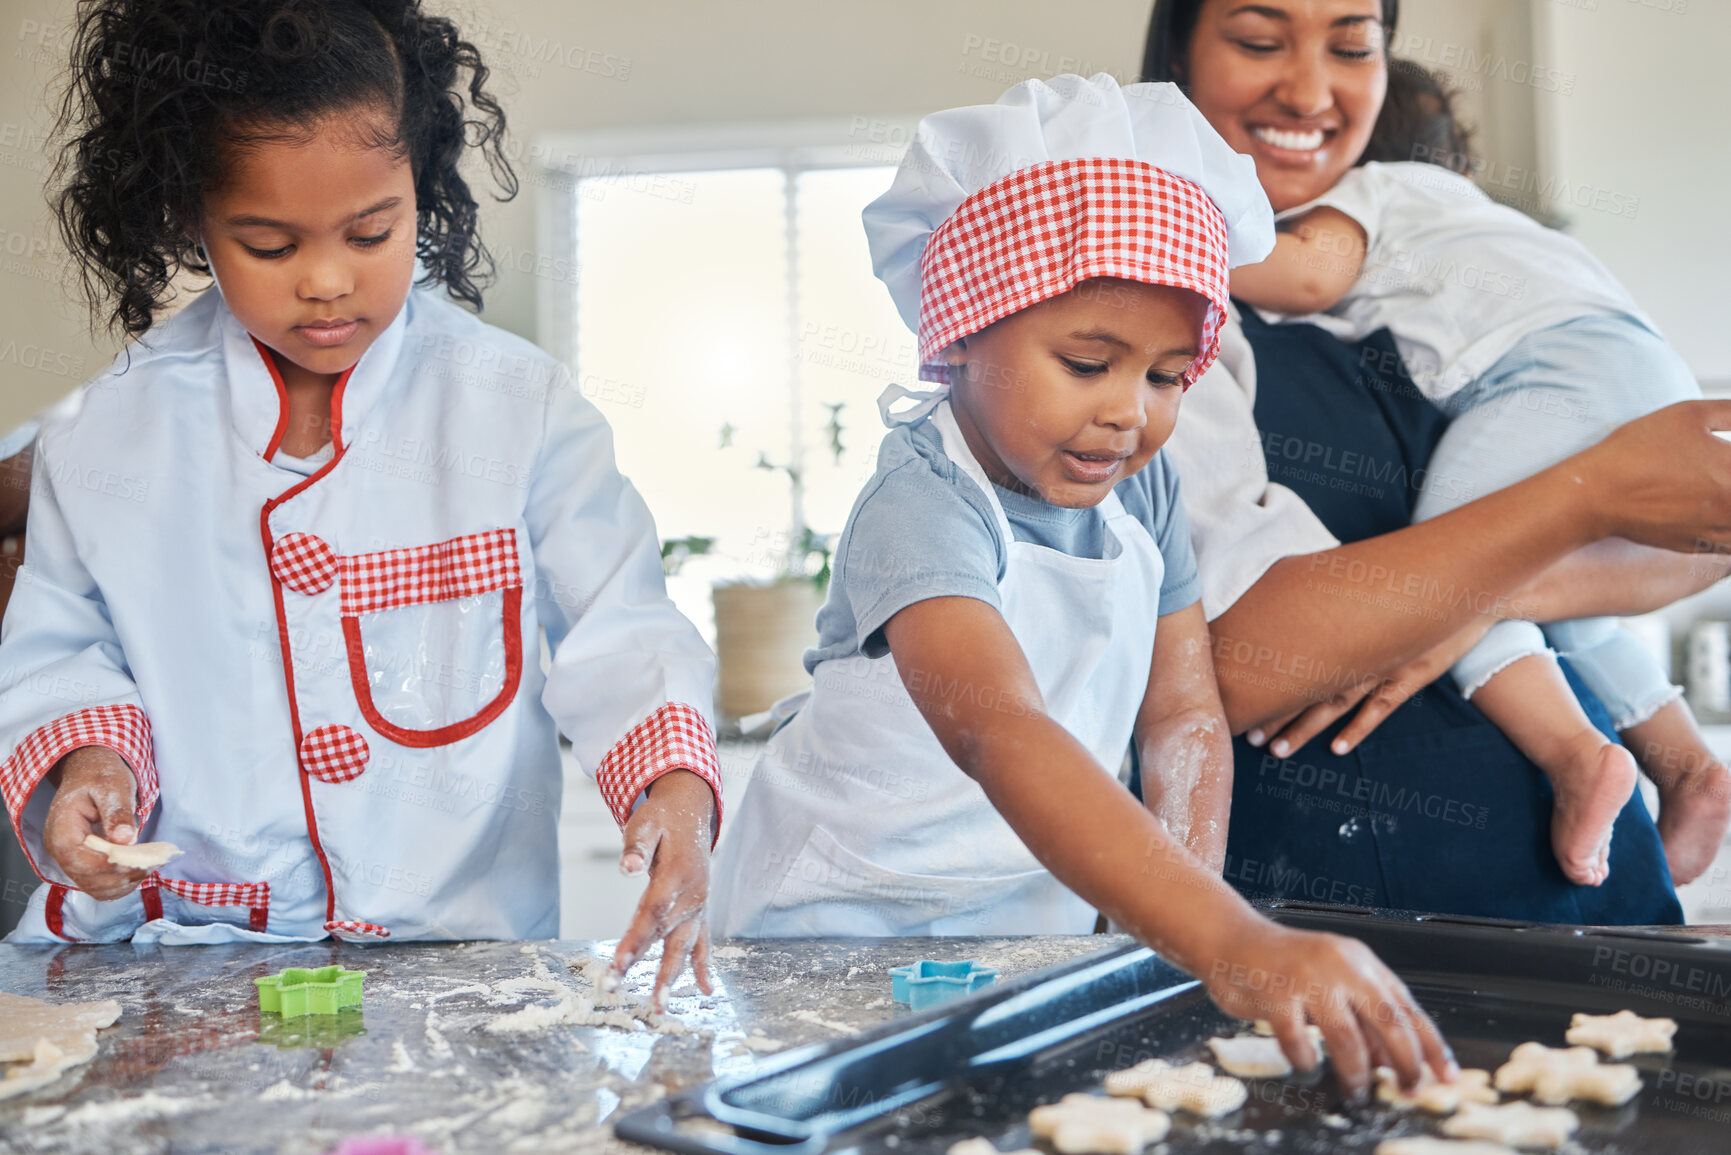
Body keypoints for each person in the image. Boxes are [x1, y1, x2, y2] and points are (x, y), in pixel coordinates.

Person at [712, 74, 1455, 1093]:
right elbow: (1000, 731)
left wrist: (1180, 930)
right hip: (838, 932)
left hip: (1027, 919)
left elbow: (1183, 718)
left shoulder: (1141, 499)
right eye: (1087, 361)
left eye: (1162, 376)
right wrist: (1233, 939)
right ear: (962, 331)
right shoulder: (925, 504)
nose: (1128, 414)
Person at [0, 0, 717, 1002]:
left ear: (419, 190)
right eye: (270, 246)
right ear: (188, 219)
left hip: (452, 970)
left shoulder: (515, 407)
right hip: (185, 967)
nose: (328, 282)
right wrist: (88, 763)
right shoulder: (109, 432)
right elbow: (60, 645)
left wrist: (673, 788)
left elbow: (621, 622)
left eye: (372, 231)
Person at [1141, 0, 1731, 923]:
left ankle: (1649, 760)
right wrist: (1570, 510)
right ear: (1177, 56)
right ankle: (1645, 755)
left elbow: (1695, 539)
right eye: (1258, 41)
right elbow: (1239, 665)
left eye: (1351, 46)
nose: (1308, 89)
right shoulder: (1159, 322)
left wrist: (1462, 600)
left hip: (1600, 894)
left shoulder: (1417, 292)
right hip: (1348, 915)